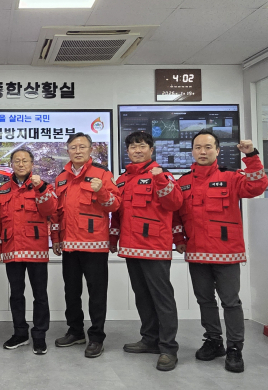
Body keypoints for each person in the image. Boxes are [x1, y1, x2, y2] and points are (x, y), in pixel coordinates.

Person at [173, 130, 268, 373]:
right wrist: (179, 238)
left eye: (208, 147)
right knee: (205, 300)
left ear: (217, 150)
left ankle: (235, 348)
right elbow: (176, 215)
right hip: (196, 252)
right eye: (198, 147)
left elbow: (257, 186)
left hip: (227, 252)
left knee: (230, 302)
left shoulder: (232, 177)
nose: (202, 151)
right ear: (192, 151)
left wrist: (251, 156)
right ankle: (214, 341)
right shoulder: (183, 182)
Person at [109, 131, 183, 371]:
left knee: (162, 298)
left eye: (142, 146)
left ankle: (168, 348)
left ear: (151, 150)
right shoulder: (122, 180)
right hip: (131, 248)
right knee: (142, 297)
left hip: (155, 248)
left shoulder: (163, 175)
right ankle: (150, 339)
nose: (137, 150)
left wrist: (159, 179)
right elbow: (118, 214)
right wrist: (113, 237)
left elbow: (174, 204)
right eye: (132, 147)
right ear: (127, 151)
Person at [52, 132, 121, 358]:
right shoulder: (61, 178)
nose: (78, 151)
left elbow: (114, 205)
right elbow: (57, 213)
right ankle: (75, 331)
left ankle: (96, 337)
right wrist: (56, 239)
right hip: (69, 245)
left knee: (97, 294)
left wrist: (101, 190)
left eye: (82, 147)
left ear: (90, 150)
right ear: (68, 151)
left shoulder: (102, 173)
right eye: (73, 147)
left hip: (94, 245)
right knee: (71, 292)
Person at [0, 149, 57, 355]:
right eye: (17, 161)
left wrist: (40, 188)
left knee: (40, 295)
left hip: (35, 249)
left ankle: (39, 336)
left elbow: (50, 210)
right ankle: (20, 333)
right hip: (11, 249)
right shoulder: (3, 191)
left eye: (25, 161)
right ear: (11, 164)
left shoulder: (43, 186)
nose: (21, 164)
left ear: (32, 164)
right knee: (16, 295)